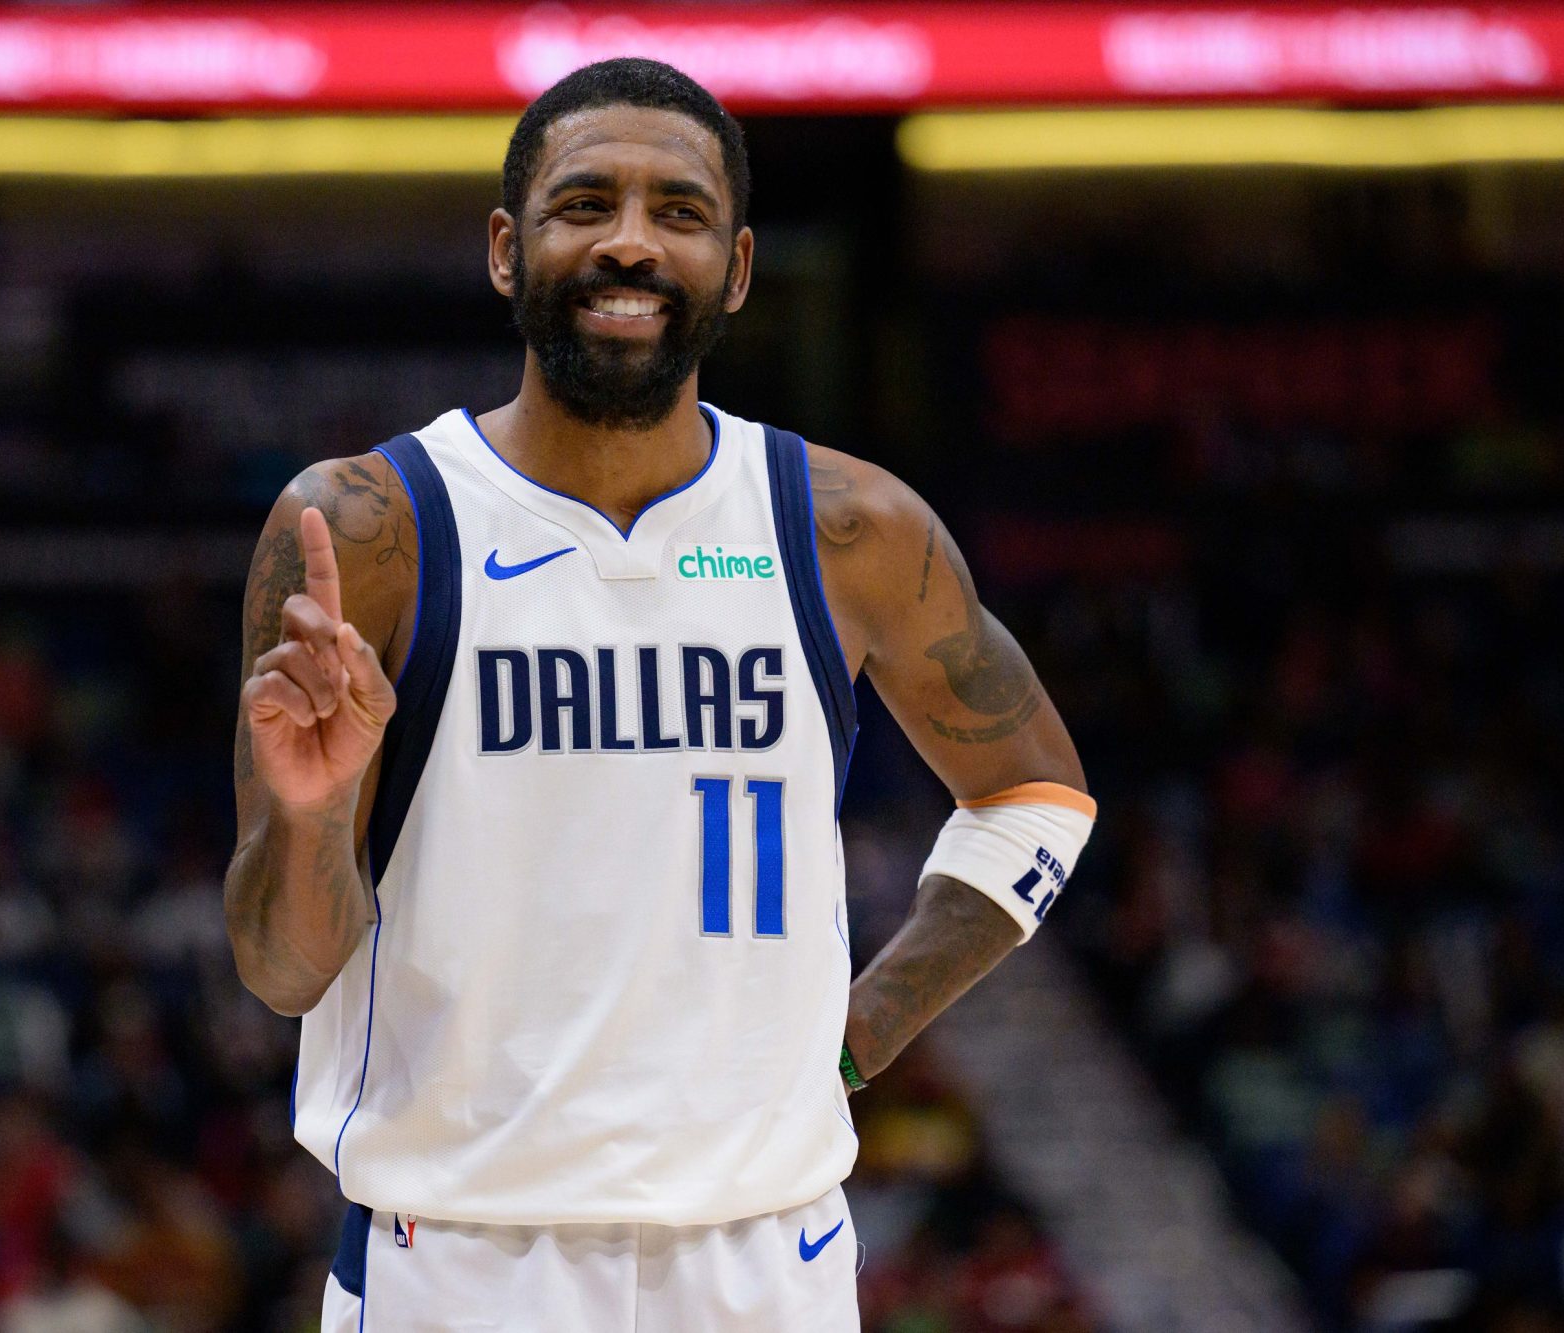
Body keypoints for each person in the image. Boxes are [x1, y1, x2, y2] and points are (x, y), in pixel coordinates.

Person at [223, 57, 1093, 1331]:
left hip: (766, 1259)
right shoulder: (366, 527)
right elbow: (282, 970)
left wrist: (856, 1036)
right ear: (507, 252)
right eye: (586, 205)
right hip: (460, 1258)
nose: (630, 242)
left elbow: (1034, 801)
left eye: (676, 212)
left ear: (736, 269)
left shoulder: (847, 526)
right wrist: (311, 814)